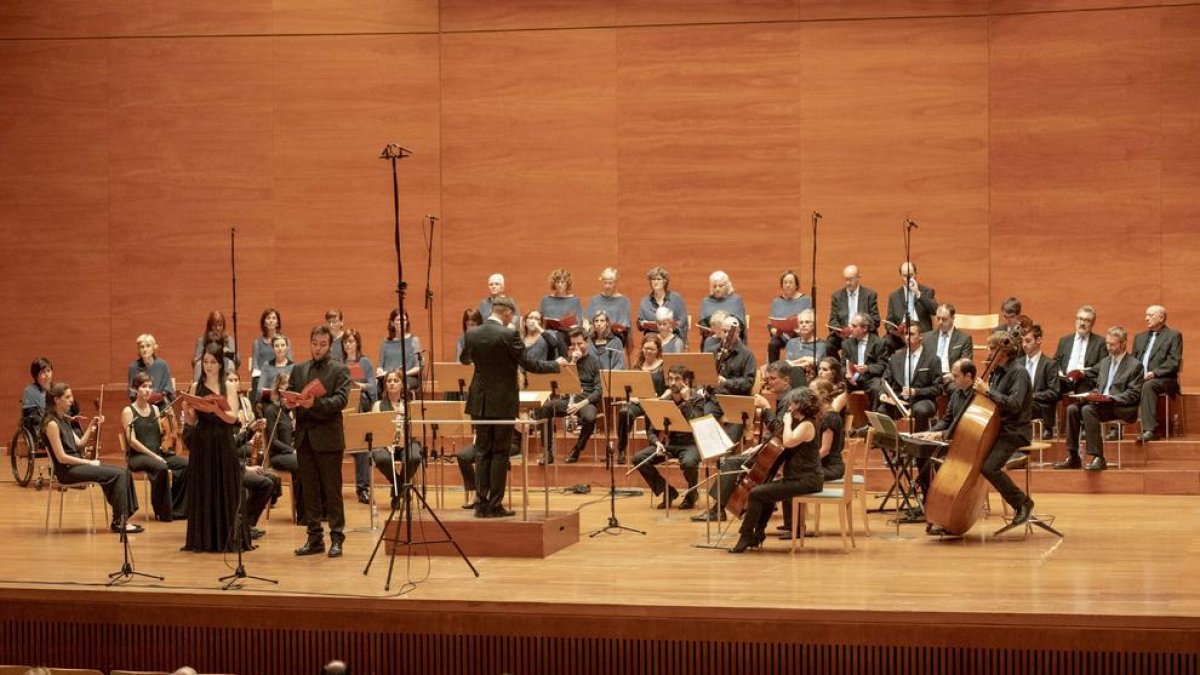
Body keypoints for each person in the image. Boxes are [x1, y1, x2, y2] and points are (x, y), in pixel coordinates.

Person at [460, 296, 561, 518]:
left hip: (478, 401)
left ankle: (480, 503)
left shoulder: (472, 333)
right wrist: (556, 365)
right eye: (511, 316)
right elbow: (528, 364)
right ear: (507, 313)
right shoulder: (508, 334)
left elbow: (465, 359)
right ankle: (494, 505)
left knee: (481, 452)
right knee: (499, 453)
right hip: (502, 401)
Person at [691, 360, 793, 524]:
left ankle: (718, 510)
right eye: (767, 379)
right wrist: (758, 447)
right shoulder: (785, 398)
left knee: (731, 463)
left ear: (786, 381)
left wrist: (766, 407)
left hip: (780, 455)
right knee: (734, 461)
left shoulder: (788, 399)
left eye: (773, 379)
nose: (769, 382)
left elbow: (779, 430)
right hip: (773, 450)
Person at [728, 387, 823, 554]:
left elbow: (788, 441)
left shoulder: (807, 424)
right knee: (766, 494)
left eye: (792, 403)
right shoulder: (798, 423)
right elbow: (779, 439)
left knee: (756, 493)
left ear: (800, 405)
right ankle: (758, 533)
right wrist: (757, 448)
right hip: (797, 478)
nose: (789, 407)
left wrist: (786, 422)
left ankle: (746, 535)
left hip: (807, 480)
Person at [42, 382, 142, 534]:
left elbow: (80, 444)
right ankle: (119, 522)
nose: (71, 400)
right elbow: (62, 458)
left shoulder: (64, 420)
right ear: (56, 400)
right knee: (119, 474)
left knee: (124, 471)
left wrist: (92, 425)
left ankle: (123, 519)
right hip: (67, 471)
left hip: (76, 466)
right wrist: (88, 462)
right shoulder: (52, 424)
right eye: (67, 397)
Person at [288, 325, 352, 557]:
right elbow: (292, 393)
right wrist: (287, 400)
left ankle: (337, 538)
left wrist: (314, 404)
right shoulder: (299, 369)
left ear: (330, 345)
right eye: (314, 343)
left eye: (322, 344)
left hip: (328, 440)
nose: (317, 348)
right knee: (310, 492)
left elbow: (341, 401)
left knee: (332, 492)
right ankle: (314, 539)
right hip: (304, 439)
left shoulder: (340, 370)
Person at [967, 331, 1036, 527]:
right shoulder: (997, 371)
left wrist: (987, 390)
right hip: (997, 429)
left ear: (1002, 351)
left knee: (989, 467)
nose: (988, 353)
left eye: (991, 348)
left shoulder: (1019, 373)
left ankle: (1022, 503)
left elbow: (1014, 404)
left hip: (1015, 431)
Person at [181, 343, 243, 552]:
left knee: (225, 486)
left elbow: (233, 418)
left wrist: (217, 410)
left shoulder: (229, 386)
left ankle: (227, 538)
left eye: (212, 362)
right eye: (205, 362)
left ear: (220, 364)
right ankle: (204, 539)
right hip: (203, 442)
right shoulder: (194, 387)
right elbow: (191, 422)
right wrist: (187, 410)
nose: (208, 366)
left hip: (223, 441)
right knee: (205, 487)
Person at [632, 365, 720, 511]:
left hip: (692, 444)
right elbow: (652, 429)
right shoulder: (665, 399)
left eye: (677, 379)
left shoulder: (697, 399)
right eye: (670, 379)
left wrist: (687, 402)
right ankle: (668, 491)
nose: (672, 383)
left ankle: (692, 494)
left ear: (686, 381)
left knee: (689, 461)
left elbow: (699, 424)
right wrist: (657, 442)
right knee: (639, 459)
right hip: (669, 444)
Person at [1057, 326, 1143, 471]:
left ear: (1123, 344)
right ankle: (1073, 456)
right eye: (1107, 344)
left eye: (1112, 344)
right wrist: (1090, 395)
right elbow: (1101, 386)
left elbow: (1133, 394)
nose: (1108, 347)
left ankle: (1098, 457)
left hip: (1121, 407)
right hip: (1102, 404)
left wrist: (1111, 398)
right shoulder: (1105, 362)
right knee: (1072, 409)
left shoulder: (1135, 365)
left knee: (1088, 410)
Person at [123, 373, 188, 521]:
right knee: (161, 467)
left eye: (150, 387)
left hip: (158, 453)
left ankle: (176, 507)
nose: (147, 390)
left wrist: (170, 420)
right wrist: (154, 455)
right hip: (137, 456)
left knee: (186, 465)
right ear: (135, 389)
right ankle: (163, 511)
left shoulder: (156, 410)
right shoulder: (128, 411)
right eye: (143, 386)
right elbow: (132, 441)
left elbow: (160, 434)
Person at [536, 328, 601, 464]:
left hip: (586, 401)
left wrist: (580, 404)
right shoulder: (567, 360)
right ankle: (547, 452)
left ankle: (577, 449)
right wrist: (572, 362)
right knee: (545, 407)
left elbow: (598, 391)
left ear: (587, 342)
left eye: (580, 343)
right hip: (568, 399)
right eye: (573, 344)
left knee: (590, 418)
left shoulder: (595, 362)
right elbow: (563, 383)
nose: (576, 347)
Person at [360, 370, 422, 508]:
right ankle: (401, 487)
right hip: (385, 444)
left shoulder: (409, 405)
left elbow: (415, 430)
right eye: (389, 381)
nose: (392, 384)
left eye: (396, 381)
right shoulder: (378, 405)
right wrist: (385, 442)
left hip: (406, 442)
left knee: (415, 457)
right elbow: (375, 430)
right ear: (385, 384)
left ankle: (396, 491)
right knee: (381, 458)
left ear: (402, 385)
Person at [874, 323, 942, 432]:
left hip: (922, 399)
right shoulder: (895, 358)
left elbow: (937, 388)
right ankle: (892, 443)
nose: (907, 337)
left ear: (921, 336)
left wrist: (916, 392)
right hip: (900, 399)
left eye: (911, 334)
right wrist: (882, 393)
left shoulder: (933, 359)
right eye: (905, 334)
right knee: (882, 410)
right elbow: (885, 380)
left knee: (921, 410)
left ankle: (916, 443)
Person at [1132, 305, 1184, 442]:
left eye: (1150, 315)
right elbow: (1132, 360)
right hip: (1141, 377)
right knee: (1118, 382)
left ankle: (1150, 430)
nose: (1146, 318)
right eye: (1146, 315)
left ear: (1161, 318)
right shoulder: (1139, 337)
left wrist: (1154, 373)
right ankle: (1115, 429)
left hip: (1164, 379)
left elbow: (1173, 362)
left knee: (1148, 385)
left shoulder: (1173, 336)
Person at [615, 335, 667, 464]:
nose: (648, 352)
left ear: (658, 350)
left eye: (652, 349)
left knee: (651, 415)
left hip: (656, 402)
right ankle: (621, 448)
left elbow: (670, 388)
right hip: (639, 402)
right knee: (624, 412)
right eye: (645, 348)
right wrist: (632, 397)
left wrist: (660, 399)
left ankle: (652, 450)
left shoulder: (663, 366)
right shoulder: (637, 365)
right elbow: (631, 387)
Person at [1016, 324, 1060, 440]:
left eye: (1028, 341)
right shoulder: (1017, 363)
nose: (1024, 345)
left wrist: (1032, 396)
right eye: (1023, 341)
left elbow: (1054, 392)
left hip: (1040, 406)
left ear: (1039, 340)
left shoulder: (1049, 364)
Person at [827, 264, 879, 359]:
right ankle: (838, 367)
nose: (847, 283)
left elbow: (875, 320)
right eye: (845, 279)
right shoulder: (837, 296)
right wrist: (841, 331)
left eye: (850, 279)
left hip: (863, 333)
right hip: (843, 335)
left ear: (858, 278)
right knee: (828, 345)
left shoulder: (869, 295)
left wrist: (861, 329)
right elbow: (832, 320)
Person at [1053, 305, 1106, 396]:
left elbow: (1103, 364)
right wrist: (1059, 372)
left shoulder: (1100, 342)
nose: (1082, 323)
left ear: (1092, 324)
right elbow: (1055, 361)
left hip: (1085, 380)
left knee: (1083, 385)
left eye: (1087, 320)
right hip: (1065, 380)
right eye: (1080, 319)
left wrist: (1083, 372)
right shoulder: (1065, 340)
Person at [884, 262, 938, 350]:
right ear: (901, 276)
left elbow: (934, 310)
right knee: (884, 342)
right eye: (905, 276)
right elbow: (889, 321)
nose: (908, 279)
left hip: (921, 334)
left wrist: (917, 293)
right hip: (901, 336)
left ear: (916, 274)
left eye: (911, 275)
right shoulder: (894, 296)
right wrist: (894, 331)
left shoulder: (927, 291)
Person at [766, 270, 812, 363]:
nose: (787, 285)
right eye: (785, 282)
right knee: (773, 344)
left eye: (790, 282)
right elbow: (771, 323)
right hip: (782, 334)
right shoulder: (777, 301)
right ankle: (773, 370)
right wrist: (772, 330)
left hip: (799, 334)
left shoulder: (806, 299)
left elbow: (811, 319)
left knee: (798, 343)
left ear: (796, 285)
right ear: (782, 285)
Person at [637, 266, 688, 348]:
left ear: (665, 281)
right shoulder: (645, 301)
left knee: (677, 343)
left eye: (658, 279)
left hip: (672, 336)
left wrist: (669, 329)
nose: (655, 282)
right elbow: (639, 324)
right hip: (652, 338)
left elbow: (682, 321)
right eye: (653, 279)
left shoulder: (676, 298)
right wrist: (642, 323)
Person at [922, 303, 973, 384]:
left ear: (953, 318)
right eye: (938, 318)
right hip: (930, 378)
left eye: (944, 319)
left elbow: (965, 364)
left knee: (957, 390)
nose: (940, 322)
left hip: (951, 378)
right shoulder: (926, 338)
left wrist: (953, 375)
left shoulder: (964, 339)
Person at [377, 308, 423, 396]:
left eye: (404, 320)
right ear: (392, 323)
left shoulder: (414, 340)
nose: (402, 322)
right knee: (378, 385)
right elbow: (380, 365)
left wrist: (401, 374)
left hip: (407, 377)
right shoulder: (385, 342)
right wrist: (379, 371)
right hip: (388, 377)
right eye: (398, 320)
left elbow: (419, 367)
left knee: (398, 384)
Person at [843, 312, 889, 397]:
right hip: (851, 379)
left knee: (877, 388)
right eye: (851, 326)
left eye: (854, 326)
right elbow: (842, 365)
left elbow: (883, 366)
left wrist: (868, 368)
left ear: (865, 328)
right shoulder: (847, 344)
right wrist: (847, 373)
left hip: (870, 379)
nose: (851, 329)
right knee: (836, 387)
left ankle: (875, 410)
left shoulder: (879, 343)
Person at [584, 267, 632, 347]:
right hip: (595, 333)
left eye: (610, 283)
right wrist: (587, 327)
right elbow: (587, 320)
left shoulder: (623, 301)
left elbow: (623, 324)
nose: (607, 286)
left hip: (615, 335)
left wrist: (606, 329)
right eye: (605, 283)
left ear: (615, 283)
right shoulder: (594, 300)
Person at [699, 271, 747, 349]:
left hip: (731, 338)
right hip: (712, 338)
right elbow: (702, 325)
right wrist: (712, 331)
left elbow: (740, 324)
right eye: (715, 286)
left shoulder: (736, 300)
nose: (717, 289)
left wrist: (724, 331)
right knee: (708, 342)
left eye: (720, 286)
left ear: (727, 286)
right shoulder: (706, 302)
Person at [250, 308, 291, 394]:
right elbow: (255, 365)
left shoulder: (285, 341)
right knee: (256, 382)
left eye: (274, 318)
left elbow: (290, 361)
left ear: (277, 322)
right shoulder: (257, 343)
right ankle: (258, 404)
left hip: (281, 377)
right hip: (264, 377)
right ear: (264, 322)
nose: (271, 320)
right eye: (268, 318)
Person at [126, 334, 176, 404]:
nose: (145, 349)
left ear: (154, 348)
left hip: (159, 404)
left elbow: (168, 389)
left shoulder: (162, 365)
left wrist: (157, 398)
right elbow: (132, 392)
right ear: (138, 350)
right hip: (141, 405)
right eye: (141, 347)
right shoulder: (133, 367)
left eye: (148, 346)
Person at [191, 310, 240, 381]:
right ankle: (199, 389)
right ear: (209, 326)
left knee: (231, 363)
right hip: (208, 367)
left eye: (220, 325)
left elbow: (237, 362)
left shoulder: (229, 340)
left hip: (224, 366)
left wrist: (227, 353)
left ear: (223, 325)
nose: (217, 328)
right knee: (198, 365)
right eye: (214, 325)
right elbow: (194, 361)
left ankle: (228, 389)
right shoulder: (202, 340)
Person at [540, 267, 584, 345]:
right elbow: (540, 319)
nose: (560, 285)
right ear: (554, 283)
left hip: (567, 334)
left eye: (562, 282)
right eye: (557, 282)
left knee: (560, 337)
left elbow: (578, 322)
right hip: (549, 334)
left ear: (567, 283)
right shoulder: (546, 299)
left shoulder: (574, 300)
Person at [341, 328, 376, 412]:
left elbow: (373, 387)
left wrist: (358, 385)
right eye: (345, 342)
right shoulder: (340, 364)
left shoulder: (364, 362)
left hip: (361, 397)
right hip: (344, 396)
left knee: (357, 398)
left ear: (357, 343)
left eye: (350, 341)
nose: (347, 344)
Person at [255, 334, 293, 403]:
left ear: (287, 347)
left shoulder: (293, 366)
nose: (280, 349)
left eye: (283, 345)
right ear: (272, 348)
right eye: (276, 346)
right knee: (270, 410)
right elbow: (260, 389)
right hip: (269, 401)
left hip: (287, 402)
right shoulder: (267, 365)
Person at [22, 357, 56, 433]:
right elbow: (32, 418)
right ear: (36, 376)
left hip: (58, 422)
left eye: (48, 371)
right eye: (43, 372)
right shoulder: (30, 391)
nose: (47, 375)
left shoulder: (56, 389)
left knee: (76, 431)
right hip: (42, 427)